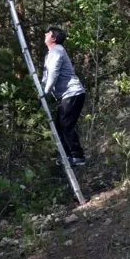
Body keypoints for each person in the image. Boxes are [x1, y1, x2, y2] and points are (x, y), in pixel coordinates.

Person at [41, 26, 87, 166]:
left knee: (66, 125)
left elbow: (54, 73)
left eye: (47, 33)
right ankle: (68, 156)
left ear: (53, 38)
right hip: (66, 95)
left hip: (73, 93)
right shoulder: (49, 54)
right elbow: (46, 75)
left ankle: (77, 156)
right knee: (60, 125)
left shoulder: (57, 50)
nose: (45, 35)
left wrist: (45, 93)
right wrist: (43, 89)